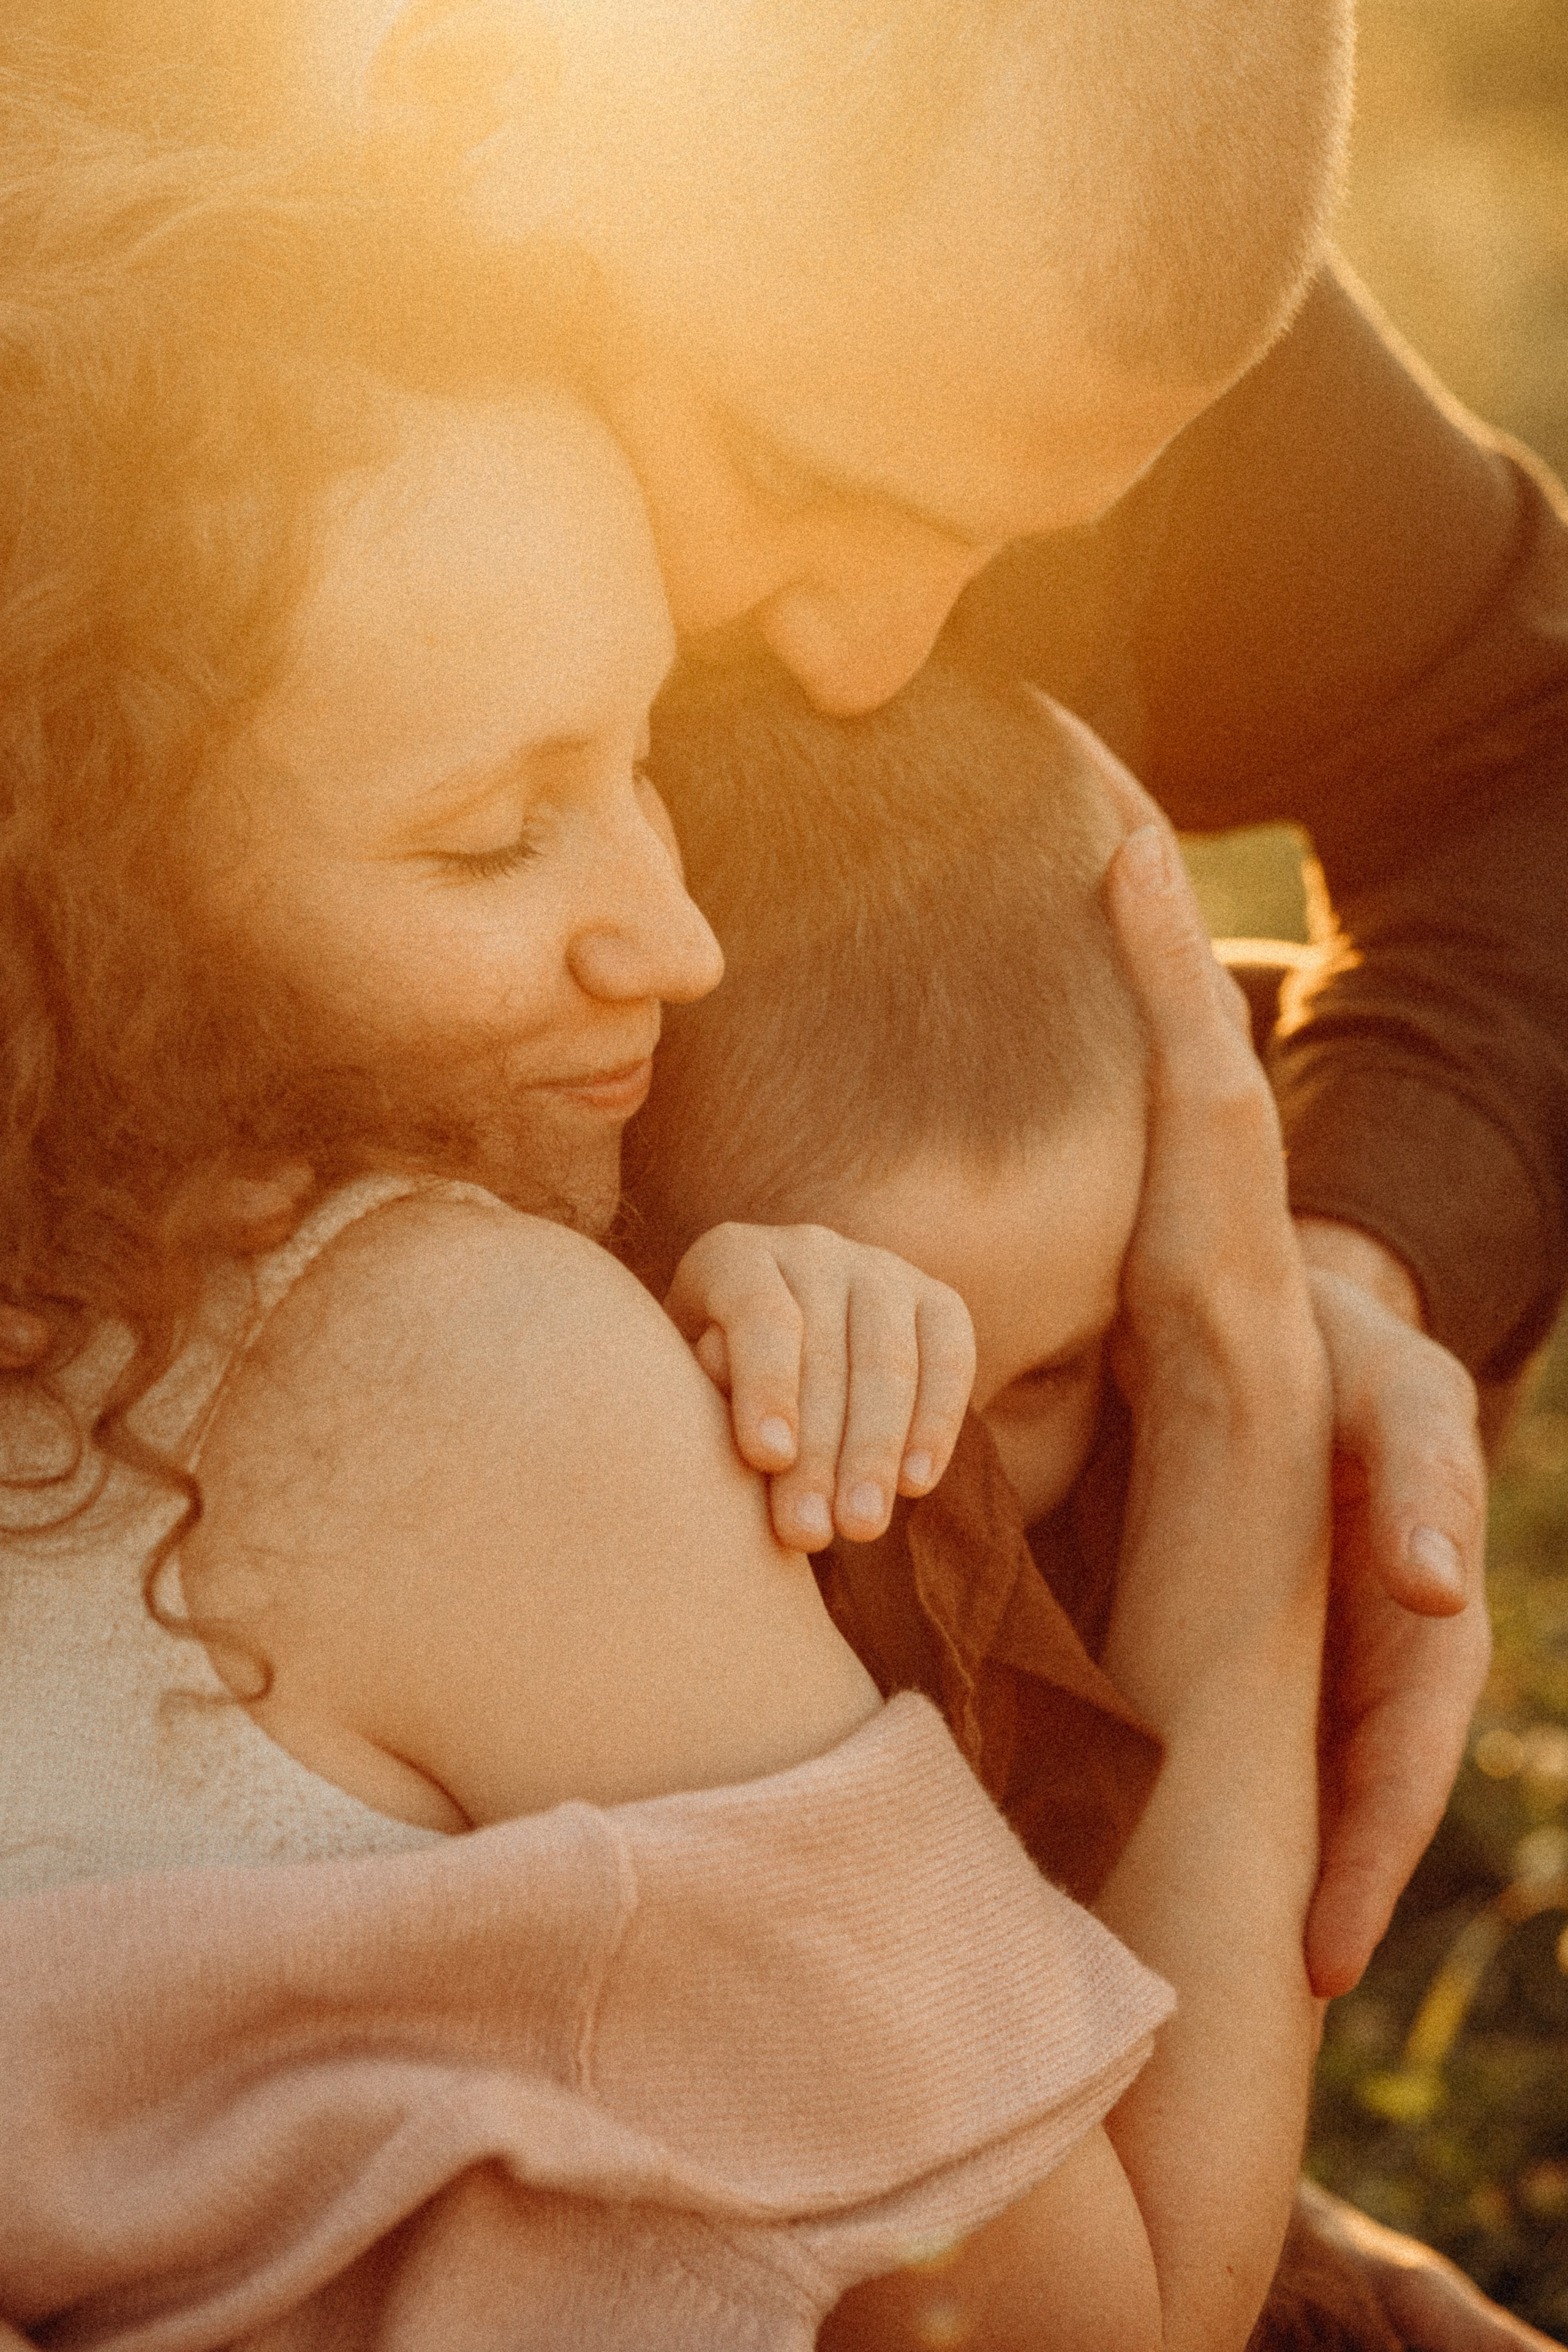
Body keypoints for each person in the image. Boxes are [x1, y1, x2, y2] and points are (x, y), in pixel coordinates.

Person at [44, 0, 1557, 2008]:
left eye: (1023, 546)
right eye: (784, 470)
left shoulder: (1021, 267)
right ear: (481, 94)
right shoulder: (83, 341)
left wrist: (1323, 1295)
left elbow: (1517, 757)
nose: (872, 649)